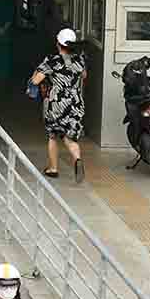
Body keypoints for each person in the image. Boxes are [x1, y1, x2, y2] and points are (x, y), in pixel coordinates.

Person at [29, 27, 87, 184]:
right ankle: (77, 159)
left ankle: (53, 169)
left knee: (53, 135)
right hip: (75, 102)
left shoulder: (52, 61)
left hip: (57, 102)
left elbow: (36, 81)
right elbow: (84, 75)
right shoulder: (79, 60)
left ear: (58, 44)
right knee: (70, 136)